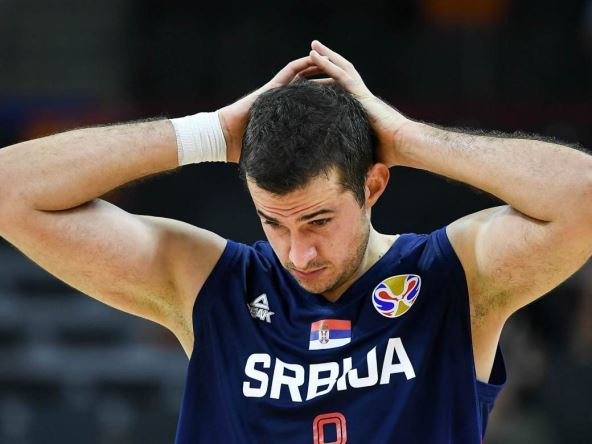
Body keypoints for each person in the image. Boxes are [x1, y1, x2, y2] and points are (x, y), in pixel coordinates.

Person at [0, 40, 590, 443]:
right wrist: (209, 133)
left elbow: (582, 197)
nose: (297, 254)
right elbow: (10, 190)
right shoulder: (214, 285)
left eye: (319, 221)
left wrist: (407, 137)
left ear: (373, 185)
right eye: (274, 223)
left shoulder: (450, 278)